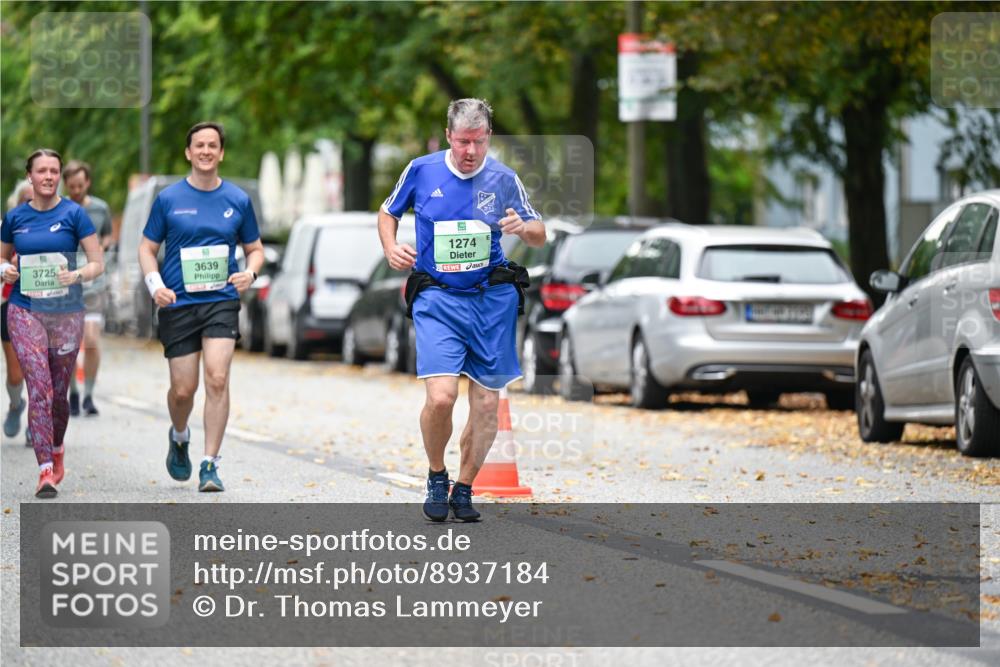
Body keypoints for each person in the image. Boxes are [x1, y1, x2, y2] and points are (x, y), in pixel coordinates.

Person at [378, 99, 545, 522]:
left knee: (487, 405)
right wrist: (390, 246)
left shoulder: (504, 178)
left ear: (489, 137)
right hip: (438, 297)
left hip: (490, 300)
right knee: (441, 397)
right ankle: (437, 474)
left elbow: (540, 232)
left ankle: (465, 486)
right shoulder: (422, 169)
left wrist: (523, 228)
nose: (471, 152)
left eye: (479, 141)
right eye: (463, 141)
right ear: (449, 136)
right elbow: (387, 212)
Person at [138, 122, 263, 493]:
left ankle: (210, 464)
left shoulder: (238, 200)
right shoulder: (168, 199)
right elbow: (146, 248)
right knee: (182, 390)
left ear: (221, 153)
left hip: (221, 301)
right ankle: (179, 435)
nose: (206, 151)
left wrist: (250, 274)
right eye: (199, 145)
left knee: (218, 378)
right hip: (178, 303)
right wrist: (155, 285)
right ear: (188, 153)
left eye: (213, 145)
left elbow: (256, 249)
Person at [0, 149, 104, 497]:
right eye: (41, 171)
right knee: (39, 387)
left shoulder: (75, 214)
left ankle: (57, 449)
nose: (48, 176)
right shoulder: (15, 218)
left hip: (66, 312)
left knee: (59, 393)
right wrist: (5, 270)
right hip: (24, 308)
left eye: (53, 171)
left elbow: (97, 263)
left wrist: (76, 274)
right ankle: (45, 469)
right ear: (29, 176)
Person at [62, 160, 114, 417]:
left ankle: (89, 395)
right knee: (69, 342)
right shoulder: (60, 210)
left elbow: (107, 235)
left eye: (80, 186)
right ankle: (72, 392)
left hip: (95, 285)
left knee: (91, 340)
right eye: (71, 187)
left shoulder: (100, 209)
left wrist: (100, 248)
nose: (76, 190)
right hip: (68, 286)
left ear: (87, 183)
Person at [2, 180, 33, 443]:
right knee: (15, 374)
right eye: (26, 200)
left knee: (41, 370)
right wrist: (7, 268)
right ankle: (15, 404)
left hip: (46, 306)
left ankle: (39, 422)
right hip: (10, 303)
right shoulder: (7, 228)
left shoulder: (57, 229)